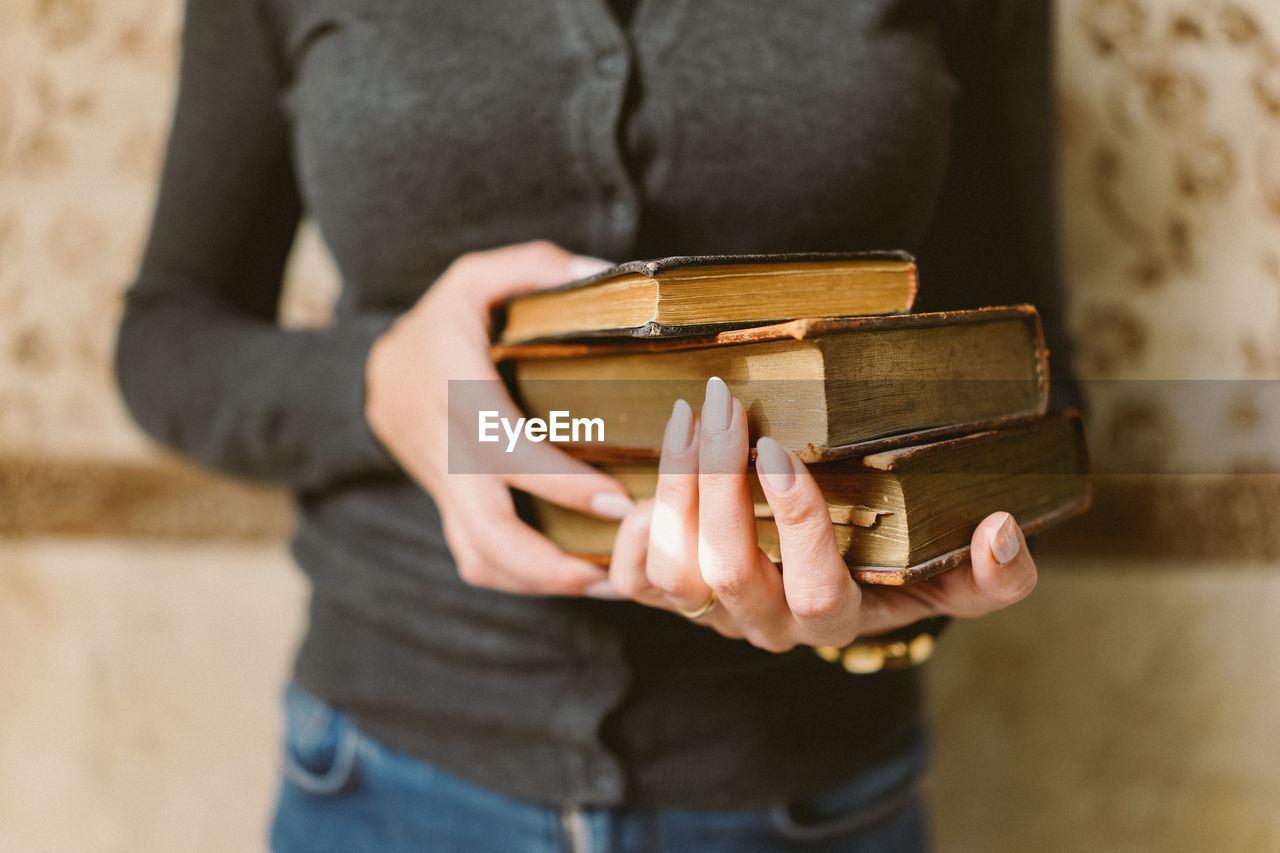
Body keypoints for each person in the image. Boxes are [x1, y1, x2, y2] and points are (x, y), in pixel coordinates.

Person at [116, 1, 1069, 850]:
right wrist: (376, 383)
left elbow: (1022, 363)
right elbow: (167, 336)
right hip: (388, 771)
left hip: (805, 786)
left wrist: (886, 595)